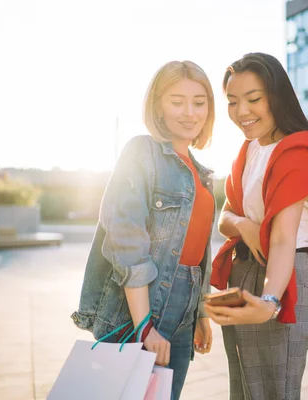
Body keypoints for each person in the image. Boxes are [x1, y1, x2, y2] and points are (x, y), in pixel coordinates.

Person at [71, 60, 216, 400]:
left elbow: (198, 249)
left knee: (164, 395)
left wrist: (201, 314)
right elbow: (126, 239)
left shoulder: (202, 172)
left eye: (199, 102)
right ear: (158, 106)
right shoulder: (142, 152)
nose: (189, 112)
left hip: (185, 306)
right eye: (176, 101)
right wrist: (143, 326)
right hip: (144, 303)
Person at [205, 52, 308, 400]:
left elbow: (282, 239)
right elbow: (224, 219)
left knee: (271, 394)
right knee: (245, 392)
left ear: (277, 97)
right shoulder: (249, 150)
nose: (242, 112)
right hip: (244, 273)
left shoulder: (295, 151)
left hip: (281, 278)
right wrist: (246, 226)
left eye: (253, 99)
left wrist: (269, 299)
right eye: (233, 102)